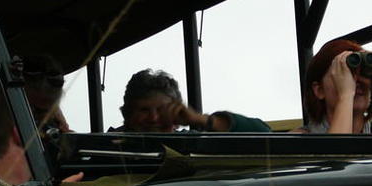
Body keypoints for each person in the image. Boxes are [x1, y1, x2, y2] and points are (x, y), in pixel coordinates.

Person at [294, 39, 372, 134]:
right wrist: (346, 96)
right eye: (343, 73)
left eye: (363, 72)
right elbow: (337, 158)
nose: (356, 81)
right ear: (319, 90)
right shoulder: (297, 141)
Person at [114, 69, 270, 132]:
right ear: (127, 114)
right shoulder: (106, 148)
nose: (154, 118)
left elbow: (264, 134)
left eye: (162, 110)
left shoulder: (190, 143)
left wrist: (201, 119)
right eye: (144, 110)